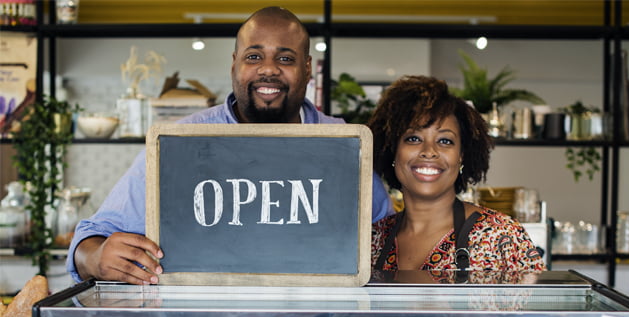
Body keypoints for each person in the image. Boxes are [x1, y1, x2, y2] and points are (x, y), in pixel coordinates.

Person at [67, 6, 393, 285]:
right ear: (234, 63)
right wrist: (97, 258)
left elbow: (387, 238)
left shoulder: (346, 147)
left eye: (285, 57)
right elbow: (90, 239)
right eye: (254, 56)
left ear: (307, 68)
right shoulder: (180, 143)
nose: (268, 69)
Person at [368, 75, 544, 278]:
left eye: (445, 141)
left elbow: (542, 308)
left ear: (461, 157)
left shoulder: (501, 236)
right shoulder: (372, 240)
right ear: (392, 152)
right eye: (413, 138)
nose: (429, 151)